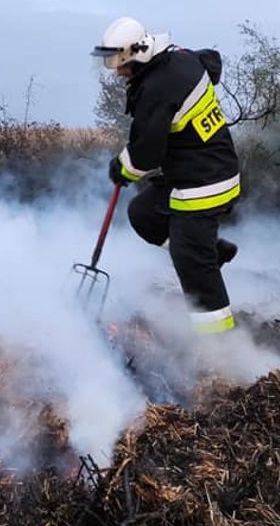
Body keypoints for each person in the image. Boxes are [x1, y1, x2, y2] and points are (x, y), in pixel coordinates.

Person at [92, 17, 240, 334]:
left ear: (139, 53)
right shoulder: (181, 58)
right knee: (144, 214)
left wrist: (121, 168)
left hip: (205, 183)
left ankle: (221, 343)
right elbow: (210, 59)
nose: (117, 72)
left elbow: (145, 154)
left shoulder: (157, 88)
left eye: (120, 63)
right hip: (198, 171)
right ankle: (211, 251)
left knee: (190, 262)